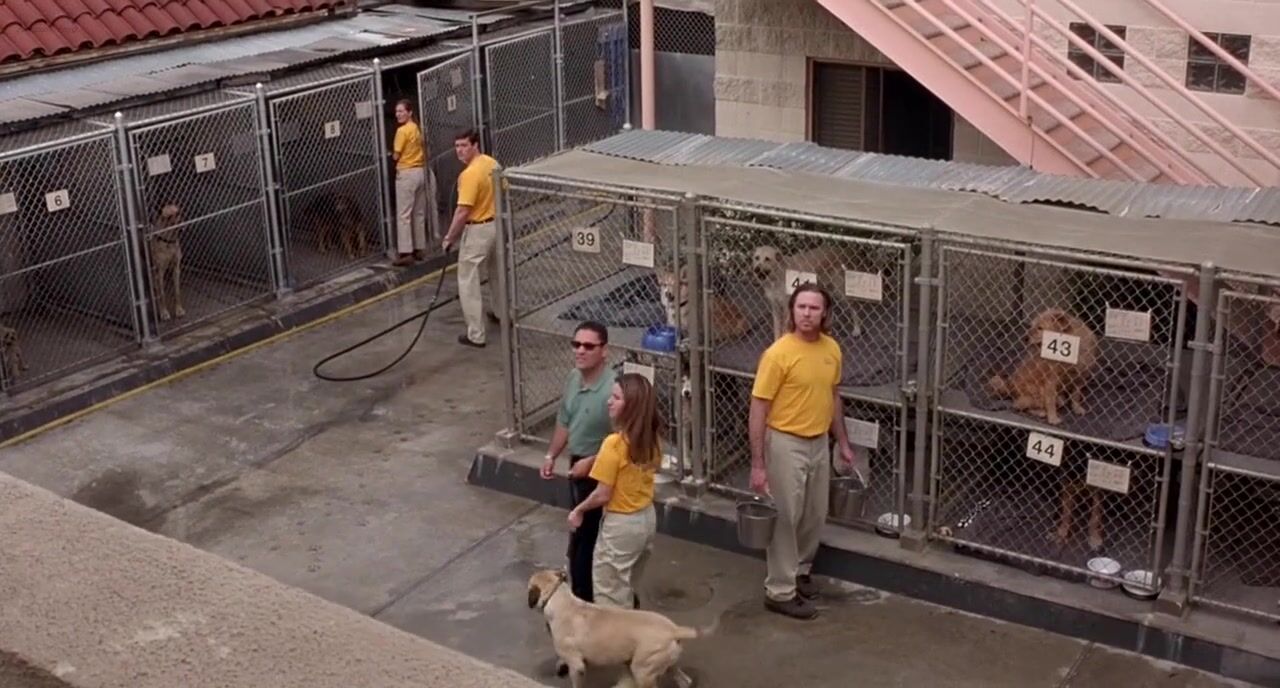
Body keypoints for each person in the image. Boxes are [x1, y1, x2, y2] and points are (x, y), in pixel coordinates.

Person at [749, 282, 856, 620]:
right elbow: (758, 407)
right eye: (801, 307)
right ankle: (779, 590)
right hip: (786, 442)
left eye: (814, 308)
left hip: (819, 441)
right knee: (785, 516)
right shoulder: (778, 354)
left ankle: (799, 570)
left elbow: (833, 396)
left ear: (825, 313)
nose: (807, 313)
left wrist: (843, 442)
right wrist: (758, 463)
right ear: (792, 311)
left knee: (814, 512)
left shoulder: (832, 349)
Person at [568, 372, 665, 609]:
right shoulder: (651, 440)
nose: (609, 401)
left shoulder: (613, 444)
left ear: (630, 407)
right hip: (646, 519)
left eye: (617, 398)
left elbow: (602, 494)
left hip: (621, 525)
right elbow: (627, 460)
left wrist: (579, 510)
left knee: (609, 594)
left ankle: (618, 632)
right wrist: (595, 460)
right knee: (628, 585)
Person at [541, 321, 615, 602]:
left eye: (588, 346)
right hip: (578, 467)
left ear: (604, 351)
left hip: (600, 472)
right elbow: (565, 420)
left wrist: (592, 463)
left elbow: (624, 442)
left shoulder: (612, 391)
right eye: (576, 344)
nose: (580, 351)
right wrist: (551, 455)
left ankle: (586, 598)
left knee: (589, 541)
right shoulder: (573, 378)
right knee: (580, 534)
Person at [441, 129, 499, 348]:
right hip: (497, 225)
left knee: (468, 280)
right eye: (457, 146)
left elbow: (463, 211)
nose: (460, 150)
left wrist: (450, 238)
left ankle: (476, 334)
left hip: (478, 229)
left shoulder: (469, 175)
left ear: (475, 145)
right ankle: (502, 313)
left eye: (464, 145)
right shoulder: (492, 164)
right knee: (497, 273)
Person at [391, 99, 428, 267]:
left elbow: (396, 154)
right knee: (418, 212)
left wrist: (392, 155)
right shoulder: (417, 128)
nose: (398, 114)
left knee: (404, 214)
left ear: (409, 112)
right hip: (420, 171)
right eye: (397, 111)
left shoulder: (402, 131)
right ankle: (419, 248)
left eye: (401, 111)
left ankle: (405, 252)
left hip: (406, 173)